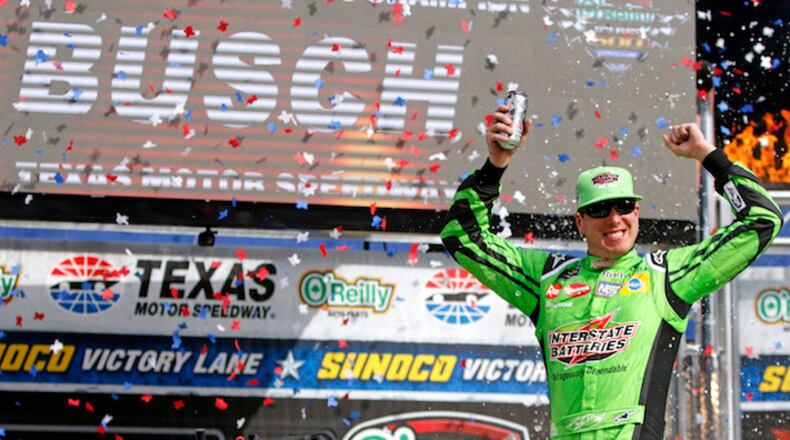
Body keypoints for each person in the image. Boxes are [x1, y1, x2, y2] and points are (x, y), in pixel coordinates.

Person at [440, 105, 784, 439]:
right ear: (580, 221)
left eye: (624, 206)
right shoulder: (545, 279)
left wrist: (708, 156)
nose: (615, 218)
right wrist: (495, 166)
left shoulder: (667, 275)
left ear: (637, 212)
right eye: (600, 209)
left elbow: (762, 219)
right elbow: (462, 237)